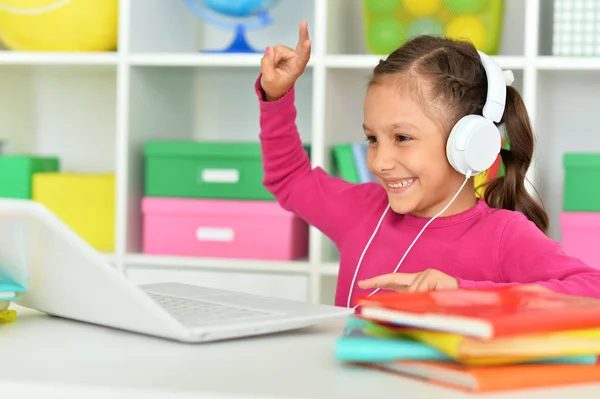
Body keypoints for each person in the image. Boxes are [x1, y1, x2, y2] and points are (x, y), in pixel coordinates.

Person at [256, 21, 600, 308]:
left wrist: (463, 293)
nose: (380, 162)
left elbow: (593, 291)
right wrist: (276, 98)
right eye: (372, 139)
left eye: (402, 138)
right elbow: (289, 178)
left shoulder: (503, 236)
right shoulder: (362, 212)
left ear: (469, 144)